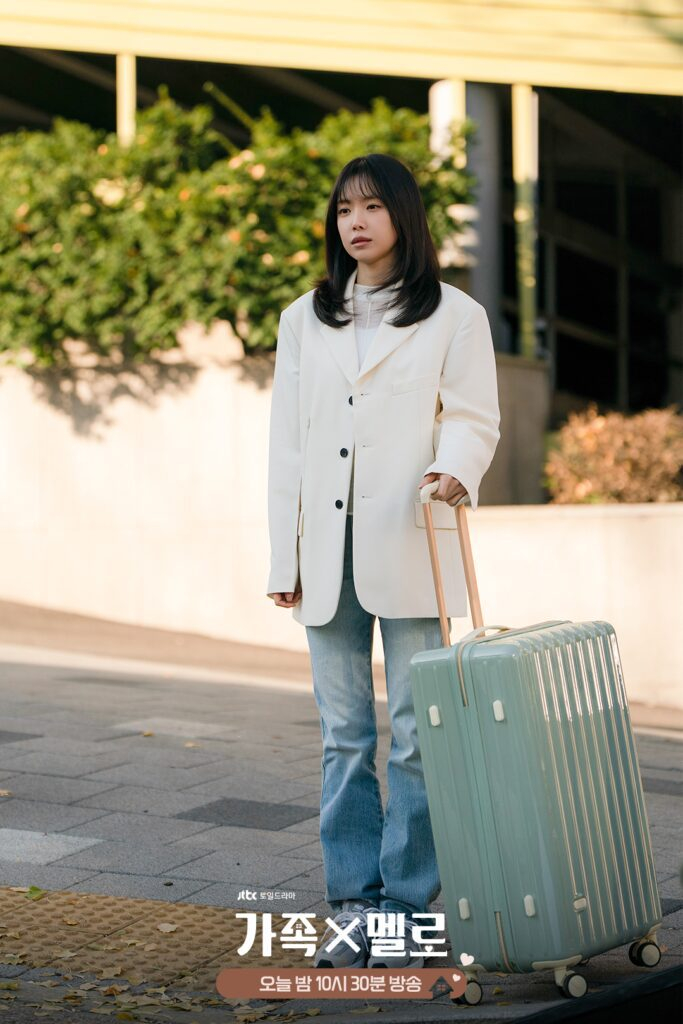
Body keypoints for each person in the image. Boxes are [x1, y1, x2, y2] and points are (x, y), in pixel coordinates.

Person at [266, 153, 500, 968]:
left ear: (403, 215)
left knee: (415, 736)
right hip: (322, 557)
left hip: (411, 541)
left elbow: (475, 417)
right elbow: (286, 447)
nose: (354, 222)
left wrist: (454, 469)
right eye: (342, 210)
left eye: (369, 206)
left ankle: (404, 907)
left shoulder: (453, 315)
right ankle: (350, 907)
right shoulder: (306, 316)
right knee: (342, 736)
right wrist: (281, 555)